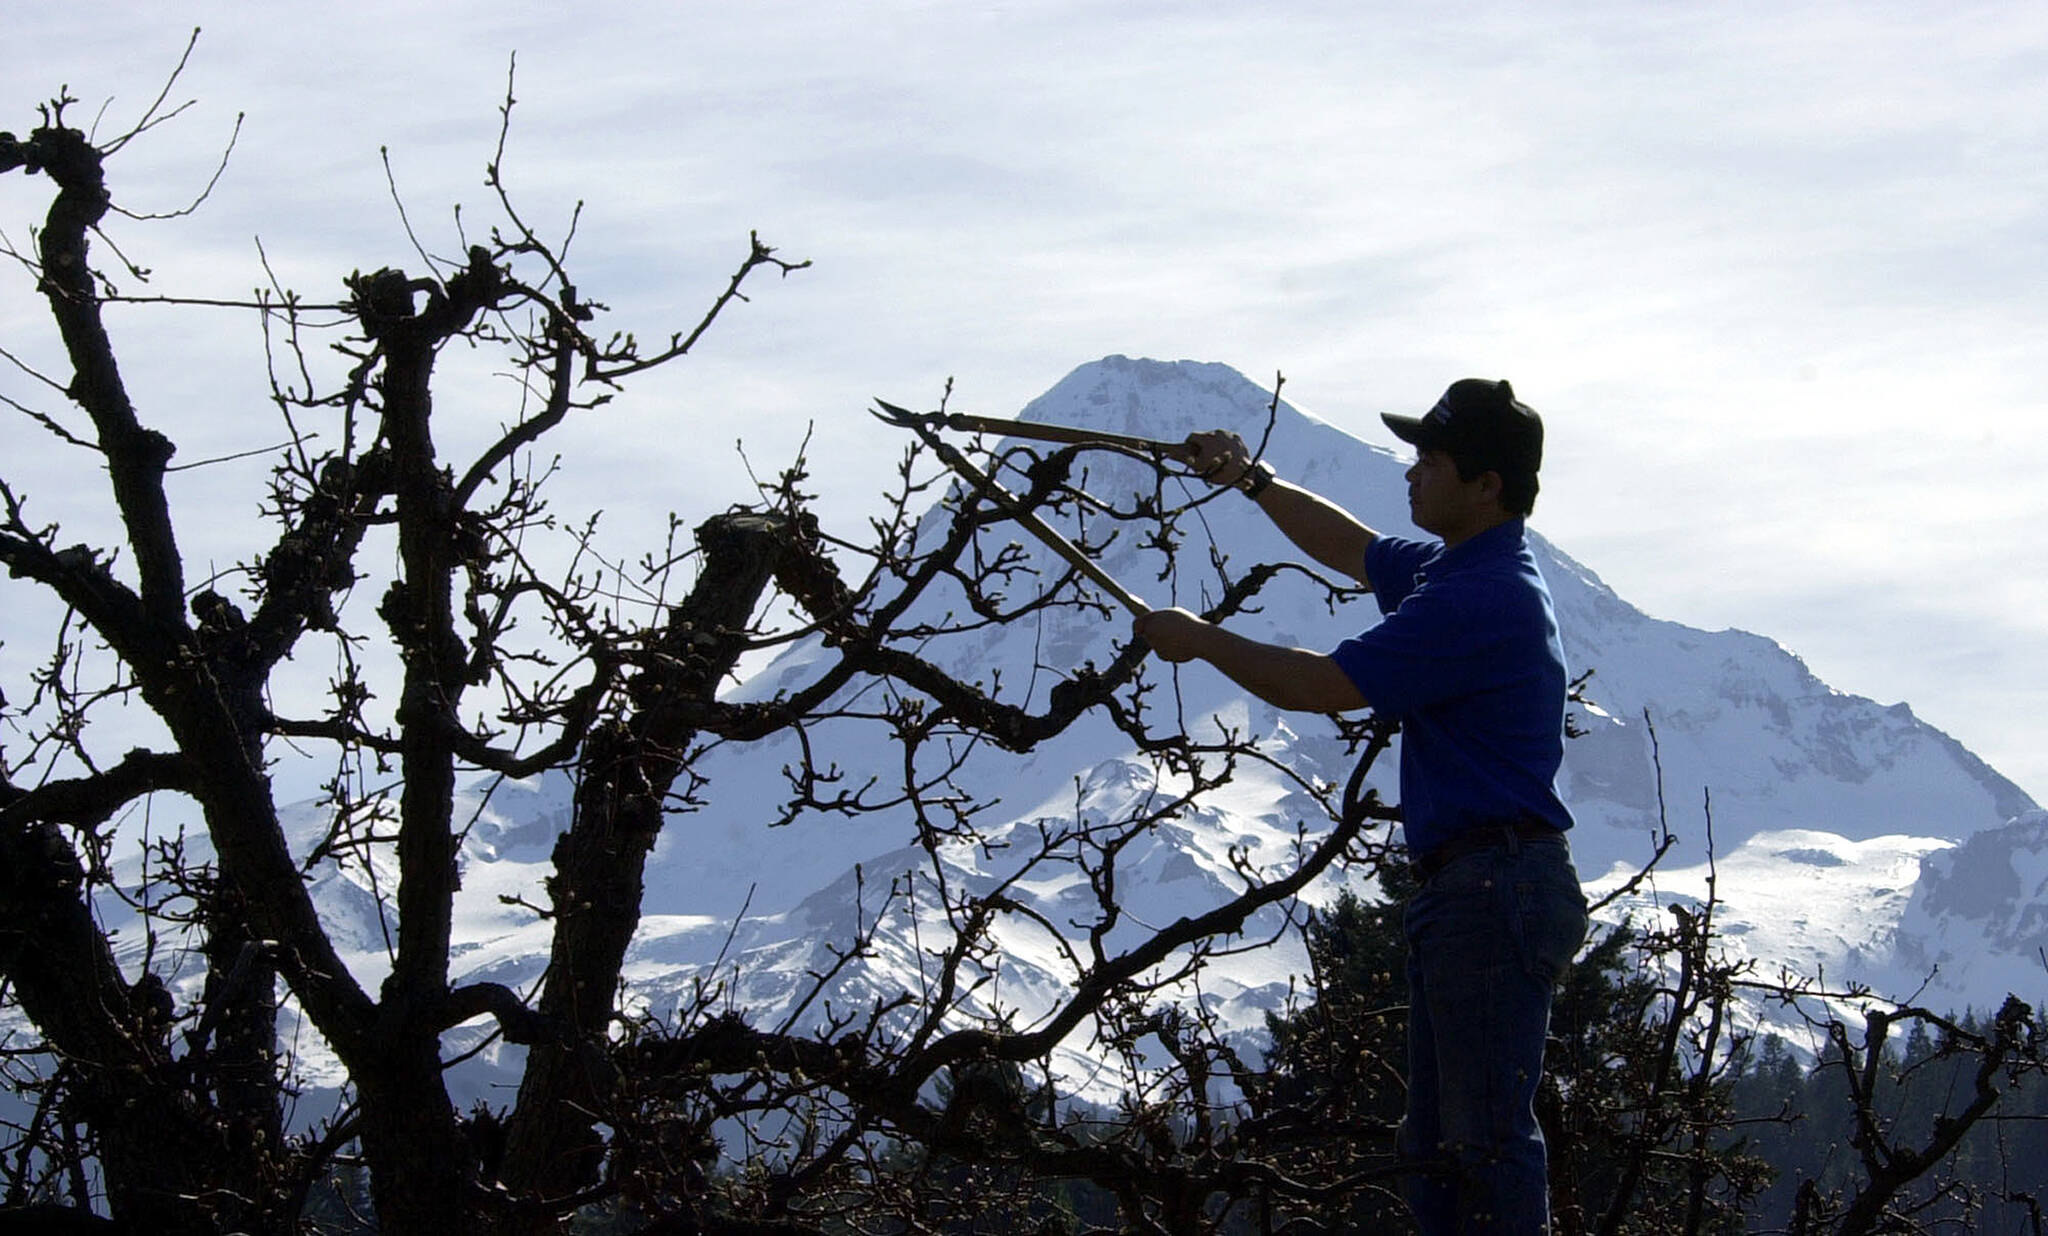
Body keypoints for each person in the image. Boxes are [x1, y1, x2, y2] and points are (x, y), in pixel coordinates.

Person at [1133, 378, 1590, 1236]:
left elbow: (1321, 685)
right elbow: (1353, 548)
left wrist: (1200, 641)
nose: (1411, 474)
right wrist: (1251, 478)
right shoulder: (1461, 569)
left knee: (1484, 1146)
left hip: (1494, 890)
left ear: (1486, 484)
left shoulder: (1478, 599)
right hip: (1479, 888)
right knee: (1439, 1145)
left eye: (1431, 460)